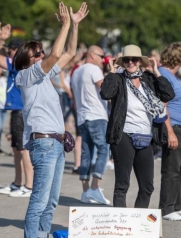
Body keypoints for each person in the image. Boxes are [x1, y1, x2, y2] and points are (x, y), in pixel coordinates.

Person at [13, 3, 87, 237]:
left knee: (51, 201)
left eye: (41, 52)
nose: (43, 55)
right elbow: (56, 53)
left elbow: (69, 54)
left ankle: (43, 234)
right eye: (38, 53)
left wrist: (74, 26)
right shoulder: (26, 75)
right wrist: (64, 25)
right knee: (39, 199)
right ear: (27, 59)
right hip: (43, 143)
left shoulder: (43, 76)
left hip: (56, 142)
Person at [100, 45, 174, 208]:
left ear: (140, 62)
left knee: (147, 186)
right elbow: (105, 94)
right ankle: (122, 226)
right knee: (122, 185)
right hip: (123, 135)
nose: (131, 62)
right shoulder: (118, 79)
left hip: (146, 136)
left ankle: (138, 224)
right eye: (127, 60)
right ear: (123, 63)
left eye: (134, 59)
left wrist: (157, 72)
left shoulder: (148, 79)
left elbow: (168, 94)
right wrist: (111, 72)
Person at [0, 23, 33, 197]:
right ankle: (17, 183)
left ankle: (29, 186)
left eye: (11, 50)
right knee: (17, 148)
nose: (8, 52)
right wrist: (1, 40)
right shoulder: (18, 63)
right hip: (17, 110)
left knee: (23, 149)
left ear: (18, 51)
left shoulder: (18, 63)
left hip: (21, 111)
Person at [158, 42, 181, 221]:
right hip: (174, 128)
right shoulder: (163, 74)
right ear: (179, 59)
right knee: (172, 170)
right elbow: (162, 105)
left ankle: (177, 203)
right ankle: (166, 208)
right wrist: (170, 131)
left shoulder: (172, 76)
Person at [71, 45, 110, 205]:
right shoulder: (94, 70)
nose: (103, 60)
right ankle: (94, 187)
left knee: (86, 154)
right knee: (104, 149)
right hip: (96, 115)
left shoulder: (76, 72)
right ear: (93, 55)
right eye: (102, 57)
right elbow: (106, 91)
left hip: (82, 116)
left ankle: (86, 190)